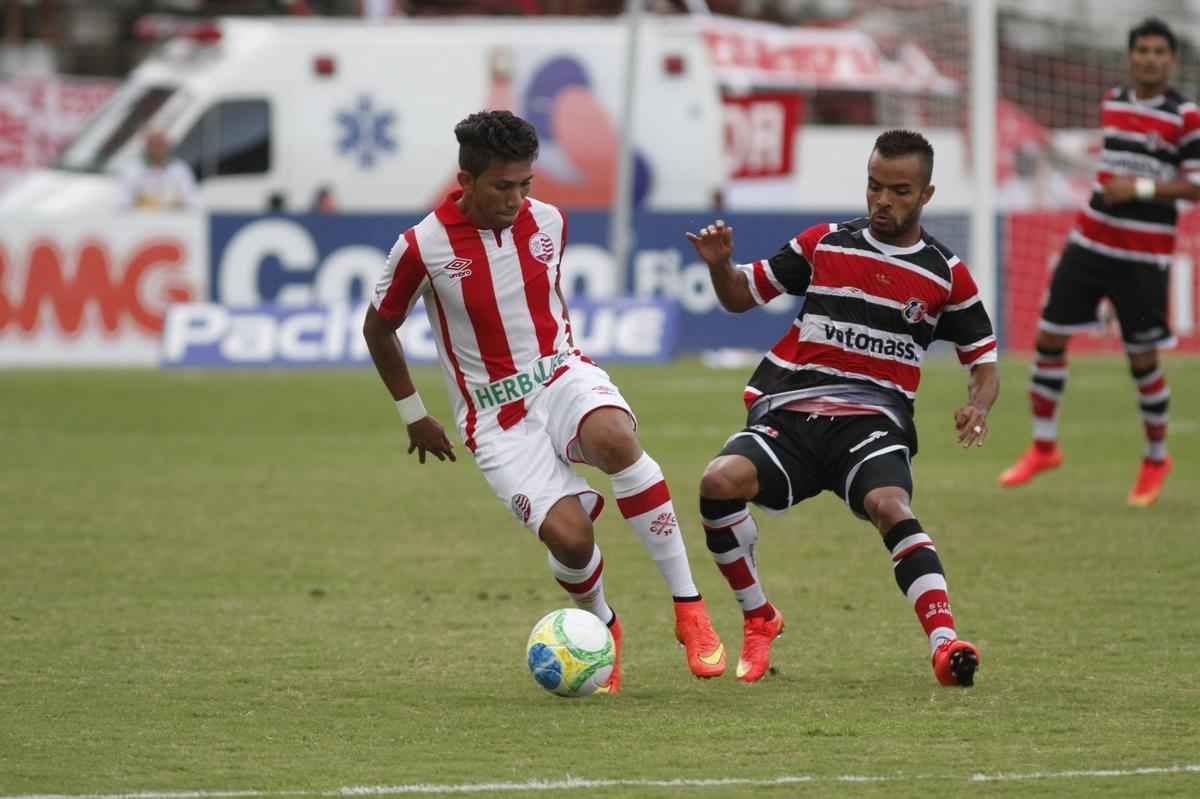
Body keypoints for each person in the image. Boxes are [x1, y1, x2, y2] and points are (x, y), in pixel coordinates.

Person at [363, 110, 724, 693]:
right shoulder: (420, 247)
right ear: (467, 181)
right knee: (571, 540)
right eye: (503, 186)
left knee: (616, 439)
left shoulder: (550, 222)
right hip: (494, 417)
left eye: (526, 184)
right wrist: (414, 414)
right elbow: (377, 329)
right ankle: (604, 626)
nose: (517, 198)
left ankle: (690, 608)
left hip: (560, 374)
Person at [686, 129, 999, 687]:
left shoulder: (945, 274)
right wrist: (719, 266)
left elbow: (984, 361)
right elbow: (740, 296)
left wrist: (978, 405)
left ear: (926, 195)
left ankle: (946, 645)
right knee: (717, 481)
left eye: (899, 191)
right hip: (792, 415)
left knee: (890, 505)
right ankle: (759, 615)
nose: (883, 200)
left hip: (873, 424)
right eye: (874, 186)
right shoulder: (824, 243)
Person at [999, 18, 1197, 506]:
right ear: (1131, 56)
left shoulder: (1185, 116)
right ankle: (1044, 446)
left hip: (1142, 256)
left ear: (1170, 60)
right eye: (1142, 50)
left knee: (1142, 359)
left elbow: (1195, 183)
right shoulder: (1113, 101)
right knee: (1049, 337)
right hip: (1089, 241)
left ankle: (1155, 457)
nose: (1149, 58)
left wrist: (1143, 189)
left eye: (1158, 52)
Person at [119, 129, 199, 211]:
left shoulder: (180, 169)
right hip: (142, 219)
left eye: (160, 145)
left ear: (167, 146)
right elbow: (122, 202)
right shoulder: (133, 169)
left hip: (174, 219)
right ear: (147, 146)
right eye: (154, 145)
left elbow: (192, 200)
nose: (157, 149)